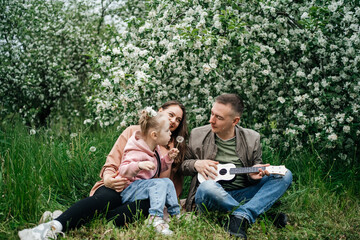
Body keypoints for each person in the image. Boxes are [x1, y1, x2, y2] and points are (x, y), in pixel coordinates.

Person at [18, 100, 188, 240]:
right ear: (159, 112)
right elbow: (112, 163)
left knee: (142, 207)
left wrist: (170, 160)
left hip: (141, 195)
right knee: (108, 198)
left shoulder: (169, 147)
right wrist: (108, 179)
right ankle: (55, 225)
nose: (173, 121)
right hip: (119, 184)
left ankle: (68, 216)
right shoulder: (133, 133)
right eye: (171, 115)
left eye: (178, 120)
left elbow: (166, 186)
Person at [180, 93, 292, 239]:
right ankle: (257, 213)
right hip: (211, 195)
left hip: (243, 193)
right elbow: (182, 166)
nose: (211, 120)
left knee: (285, 174)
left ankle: (240, 216)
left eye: (218, 117)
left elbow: (255, 168)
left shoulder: (252, 138)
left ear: (235, 121)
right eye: (212, 113)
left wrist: (254, 177)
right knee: (208, 187)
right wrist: (196, 164)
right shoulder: (198, 134)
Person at [118, 108, 180, 235]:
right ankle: (155, 219)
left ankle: (175, 214)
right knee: (159, 183)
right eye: (167, 131)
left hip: (143, 187)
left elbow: (156, 168)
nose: (170, 134)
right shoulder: (137, 148)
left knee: (167, 182)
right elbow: (123, 169)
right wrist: (138, 165)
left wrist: (168, 158)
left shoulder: (154, 148)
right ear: (154, 135)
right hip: (129, 189)